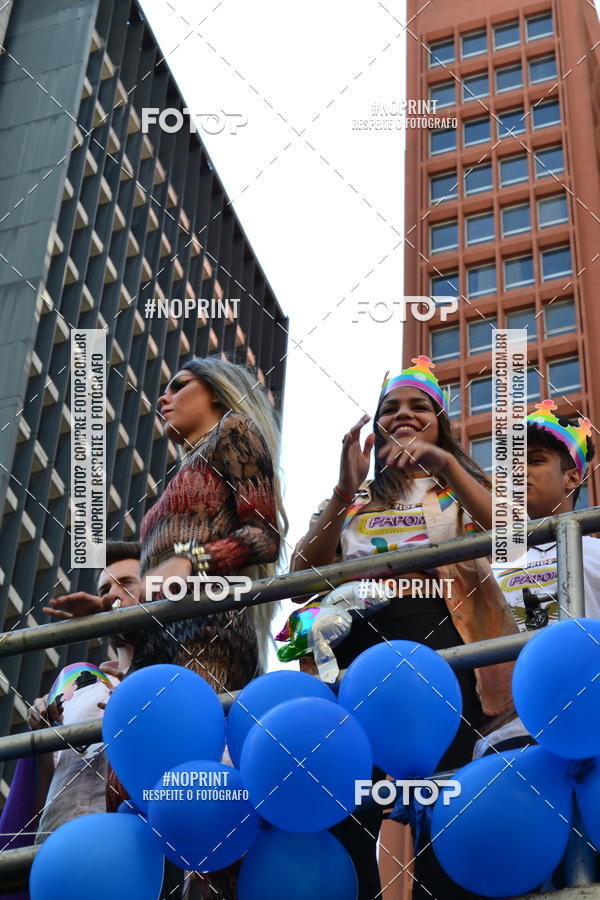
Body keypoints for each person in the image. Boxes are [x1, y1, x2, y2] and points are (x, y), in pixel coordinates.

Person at [290, 357, 518, 900]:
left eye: (419, 407)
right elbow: (299, 581)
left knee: (442, 784)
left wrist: (443, 463)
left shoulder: (461, 484)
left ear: (441, 421)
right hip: (352, 652)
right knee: (357, 792)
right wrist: (345, 490)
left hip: (444, 645)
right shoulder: (357, 500)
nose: (403, 415)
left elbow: (511, 535)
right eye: (390, 409)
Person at [109, 357, 287, 900]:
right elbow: (156, 581)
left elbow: (265, 537)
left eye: (178, 385)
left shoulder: (234, 433)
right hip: (154, 644)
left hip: (208, 637)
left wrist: (190, 561)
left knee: (196, 781)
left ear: (216, 391)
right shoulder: (172, 479)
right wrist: (118, 605)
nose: (163, 398)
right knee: (135, 786)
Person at [474, 400, 599, 759]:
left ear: (572, 478)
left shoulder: (595, 553)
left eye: (535, 460)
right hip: (513, 735)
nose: (519, 472)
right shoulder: (485, 564)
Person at [27, 541, 142, 842]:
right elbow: (44, 807)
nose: (113, 596)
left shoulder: (179, 677)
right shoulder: (77, 683)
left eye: (127, 585)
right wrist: (42, 740)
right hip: (59, 853)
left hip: (134, 856)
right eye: (104, 591)